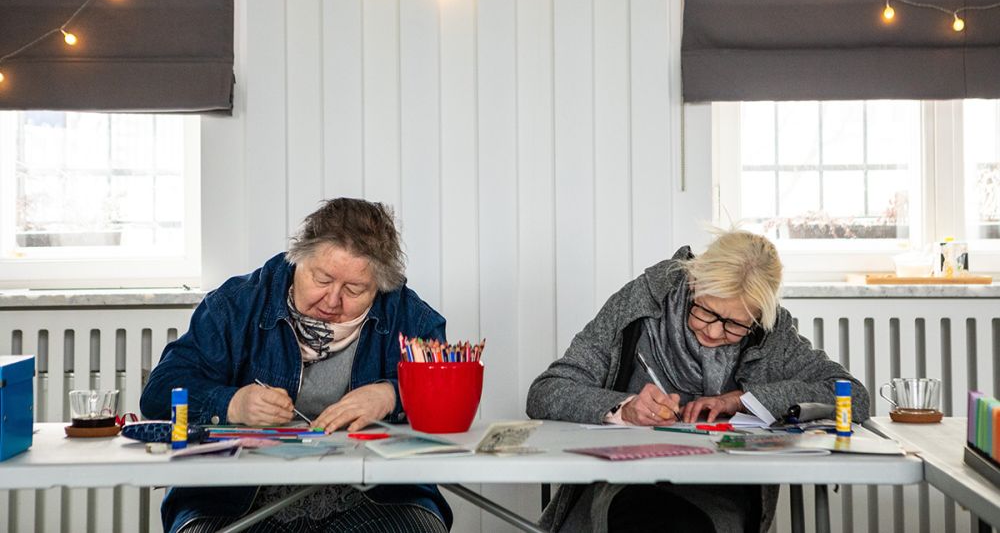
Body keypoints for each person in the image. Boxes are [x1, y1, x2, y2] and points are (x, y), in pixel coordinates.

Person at [526, 229, 870, 533]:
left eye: (735, 325)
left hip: (720, 491)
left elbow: (853, 396)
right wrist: (624, 408)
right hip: (623, 483)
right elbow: (546, 391)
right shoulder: (641, 303)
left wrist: (745, 399)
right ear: (693, 284)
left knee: (683, 524)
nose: (715, 332)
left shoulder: (771, 334)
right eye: (706, 311)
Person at [141, 198, 452, 533]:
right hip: (236, 498)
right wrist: (232, 403)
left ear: (380, 286)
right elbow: (159, 393)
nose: (332, 300)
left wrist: (393, 394)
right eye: (322, 279)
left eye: (354, 289)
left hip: (373, 498)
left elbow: (449, 402)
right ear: (297, 259)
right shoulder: (235, 304)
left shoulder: (411, 317)